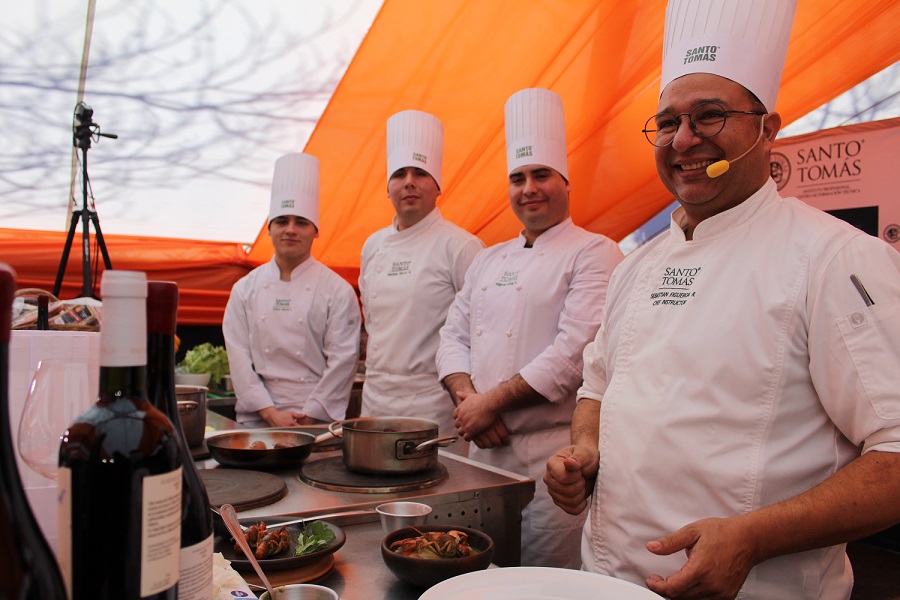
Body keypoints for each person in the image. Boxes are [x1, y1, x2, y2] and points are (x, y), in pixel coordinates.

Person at [544, 1, 900, 598]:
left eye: (710, 116)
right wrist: (584, 451)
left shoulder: (834, 257)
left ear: (768, 129)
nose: (683, 140)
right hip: (608, 581)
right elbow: (597, 388)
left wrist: (753, 537)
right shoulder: (638, 266)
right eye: (667, 122)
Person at [437, 88, 625, 568]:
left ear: (565, 181)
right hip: (480, 450)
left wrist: (489, 402)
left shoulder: (594, 251)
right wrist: (469, 402)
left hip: (553, 458)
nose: (529, 188)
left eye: (541, 174)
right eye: (518, 178)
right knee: (473, 573)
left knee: (544, 581)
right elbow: (451, 336)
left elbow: (575, 351)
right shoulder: (488, 258)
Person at [359, 110, 484, 449]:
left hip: (434, 406)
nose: (409, 182)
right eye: (400, 174)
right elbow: (371, 322)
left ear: (438, 186)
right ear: (388, 187)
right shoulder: (373, 246)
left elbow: (479, 331)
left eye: (420, 173)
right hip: (375, 401)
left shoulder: (461, 246)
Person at [223, 153, 361, 428]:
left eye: (301, 222)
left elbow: (344, 360)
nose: (290, 230)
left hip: (317, 422)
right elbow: (238, 356)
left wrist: (308, 416)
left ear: (315, 230)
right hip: (258, 420)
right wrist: (270, 414)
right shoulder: (244, 290)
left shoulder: (337, 290)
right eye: (282, 221)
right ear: (269, 229)